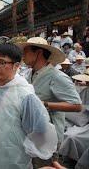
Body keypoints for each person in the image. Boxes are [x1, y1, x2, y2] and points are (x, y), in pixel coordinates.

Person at [0, 43, 58, 169]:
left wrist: (21, 149)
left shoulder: (25, 96)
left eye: (2, 62)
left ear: (16, 66)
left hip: (12, 161)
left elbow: (40, 134)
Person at [17, 37, 82, 167]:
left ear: (38, 53)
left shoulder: (56, 76)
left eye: (26, 51)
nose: (23, 55)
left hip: (48, 136)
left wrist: (45, 104)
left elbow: (77, 105)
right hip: (32, 132)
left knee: (45, 165)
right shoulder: (29, 73)